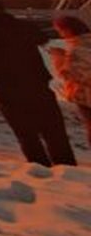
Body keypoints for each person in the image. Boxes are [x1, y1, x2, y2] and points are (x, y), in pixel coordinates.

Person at [0, 0, 76, 167]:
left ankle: (39, 166)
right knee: (53, 128)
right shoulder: (21, 25)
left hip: (3, 85)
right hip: (35, 81)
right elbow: (42, 38)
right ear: (2, 8)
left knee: (25, 131)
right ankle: (66, 166)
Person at [49, 15, 91, 146]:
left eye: (60, 31)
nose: (61, 35)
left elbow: (74, 74)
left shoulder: (76, 49)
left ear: (68, 30)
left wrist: (58, 59)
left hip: (85, 96)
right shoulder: (85, 44)